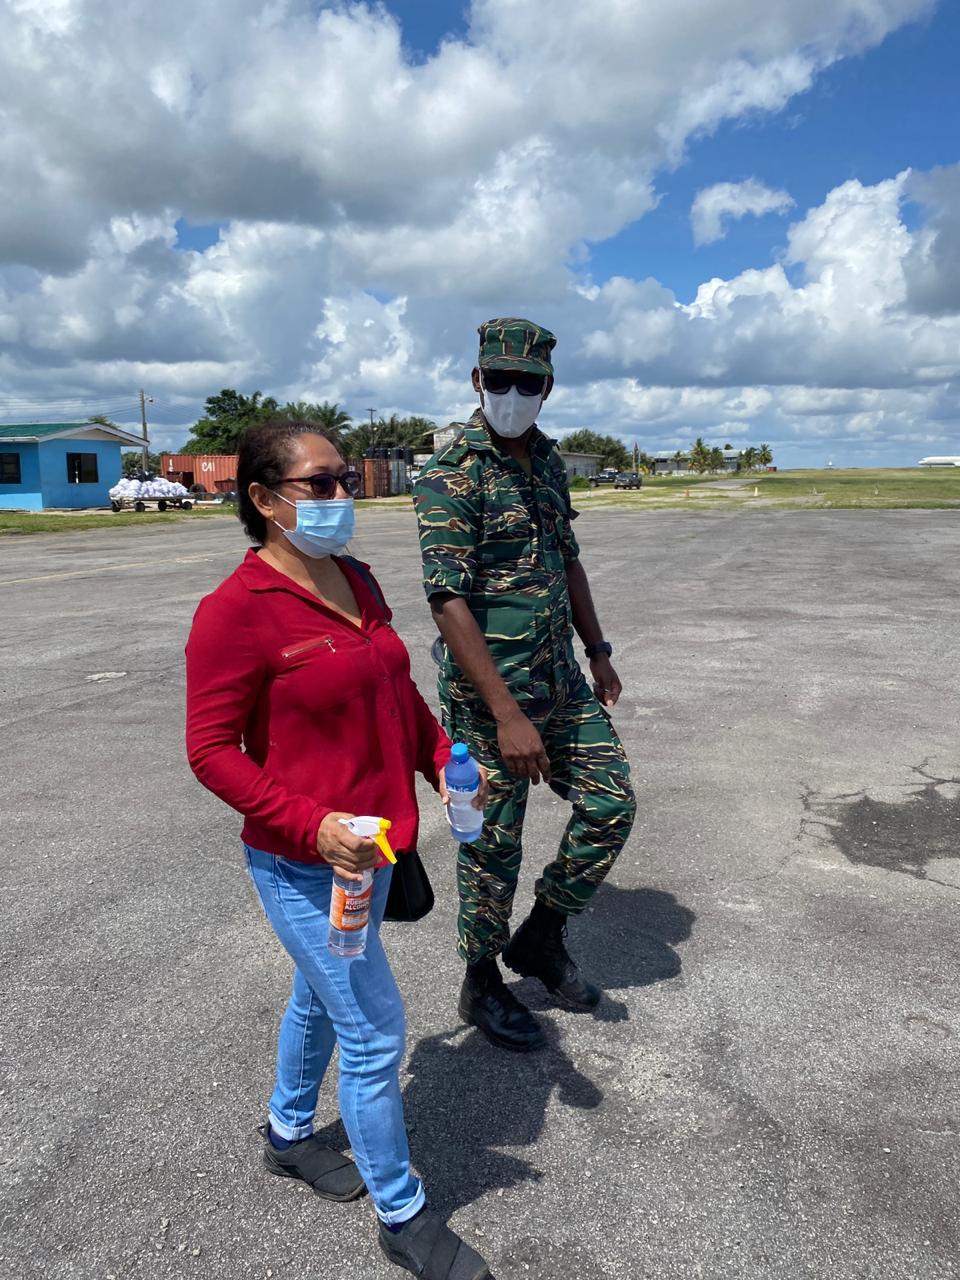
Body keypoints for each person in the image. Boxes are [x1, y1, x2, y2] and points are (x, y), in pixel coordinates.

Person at [185, 420, 492, 1280]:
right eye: (318, 484)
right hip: (302, 864)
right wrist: (309, 823)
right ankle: (404, 1214)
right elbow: (209, 751)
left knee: (321, 998)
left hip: (375, 850)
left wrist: (441, 761)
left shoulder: (355, 578)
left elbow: (397, 693)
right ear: (263, 498)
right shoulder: (235, 612)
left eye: (345, 480)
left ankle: (287, 1134)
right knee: (375, 1030)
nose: (339, 497)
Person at [413, 318, 637, 1052]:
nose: (513, 393)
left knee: (610, 805)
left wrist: (597, 651)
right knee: (492, 848)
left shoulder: (547, 461)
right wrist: (506, 715)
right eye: (500, 379)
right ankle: (481, 980)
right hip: (490, 702)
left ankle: (541, 934)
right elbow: (447, 599)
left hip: (561, 683)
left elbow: (567, 560)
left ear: (548, 387)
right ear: (478, 380)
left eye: (528, 382)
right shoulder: (451, 474)